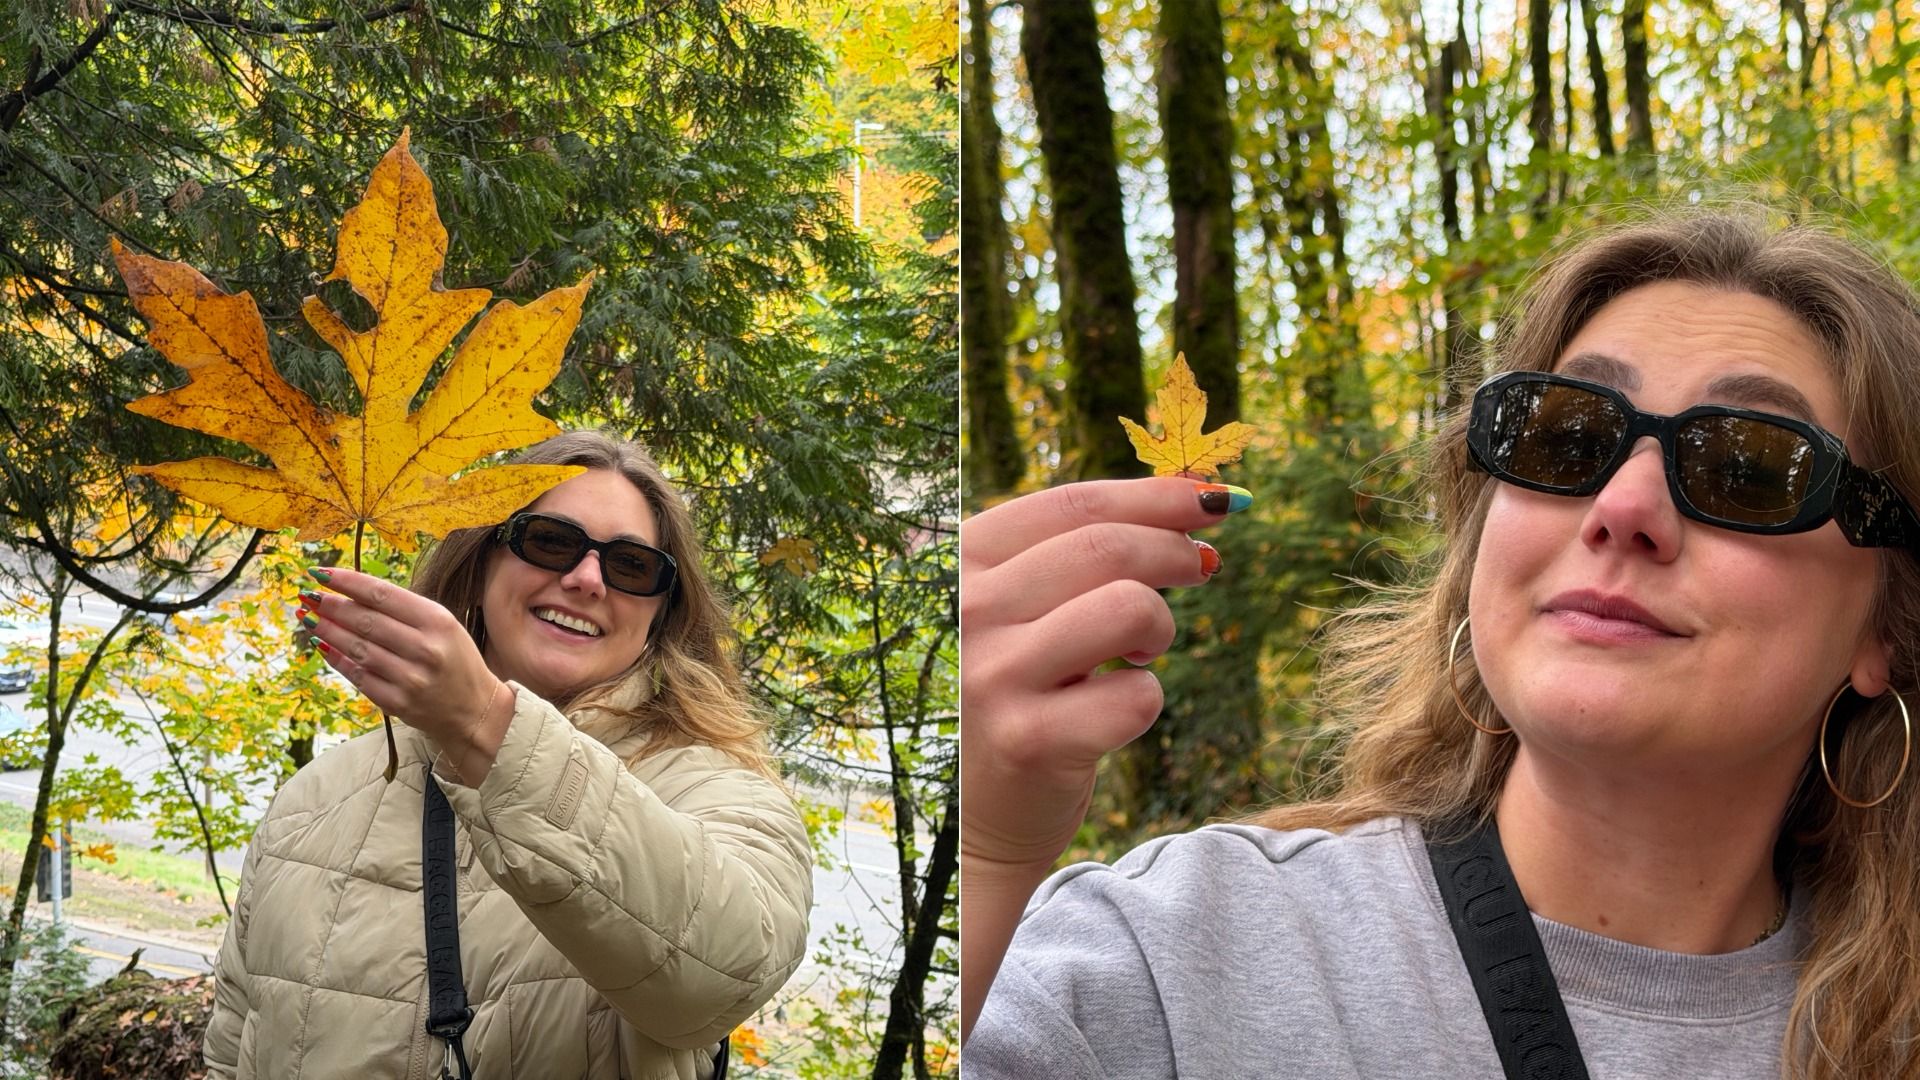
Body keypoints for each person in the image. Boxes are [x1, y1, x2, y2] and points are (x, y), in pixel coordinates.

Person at [961, 211, 1920, 1079]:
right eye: (1563, 435)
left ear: (1884, 624)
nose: (1624, 508)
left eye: (1748, 466)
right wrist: (989, 858)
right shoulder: (1167, 967)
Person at [203, 431, 813, 1079]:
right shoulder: (314, 799)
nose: (584, 579)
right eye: (551, 540)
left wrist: (485, 724)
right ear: (482, 560)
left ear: (661, 615)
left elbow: (726, 973)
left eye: (631, 566)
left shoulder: (713, 789)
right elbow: (233, 1046)